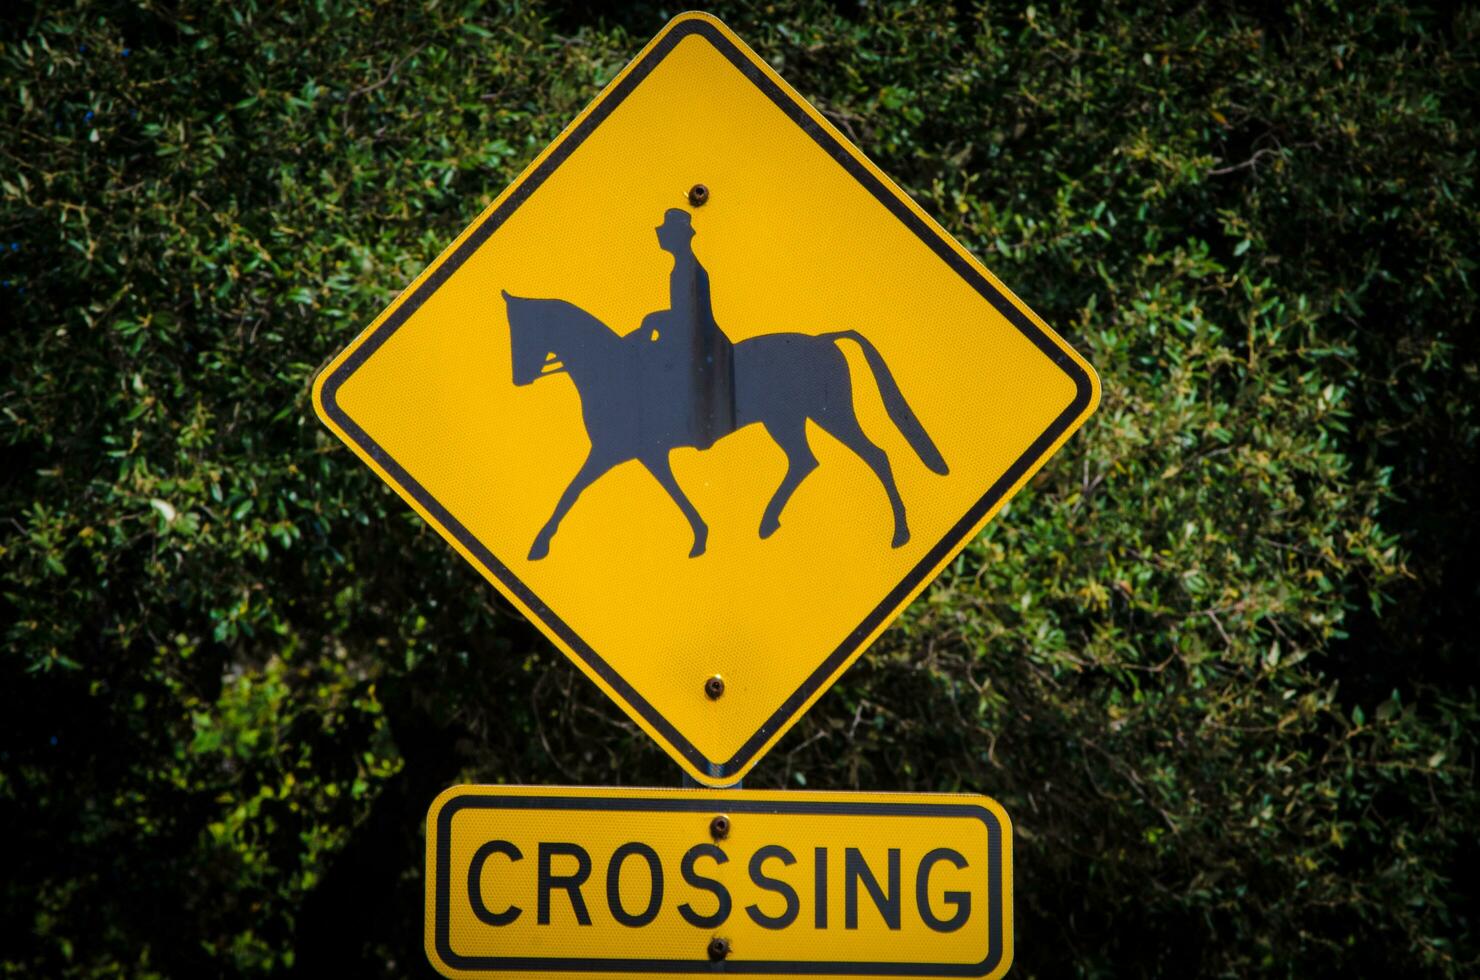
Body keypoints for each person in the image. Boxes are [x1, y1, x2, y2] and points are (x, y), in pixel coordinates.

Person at [630, 208, 736, 449]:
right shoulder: (680, 267)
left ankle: (697, 428)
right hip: (688, 337)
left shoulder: (687, 268)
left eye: (666, 231)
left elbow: (691, 316)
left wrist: (653, 321)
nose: (661, 235)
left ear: (678, 235)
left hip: (702, 341)